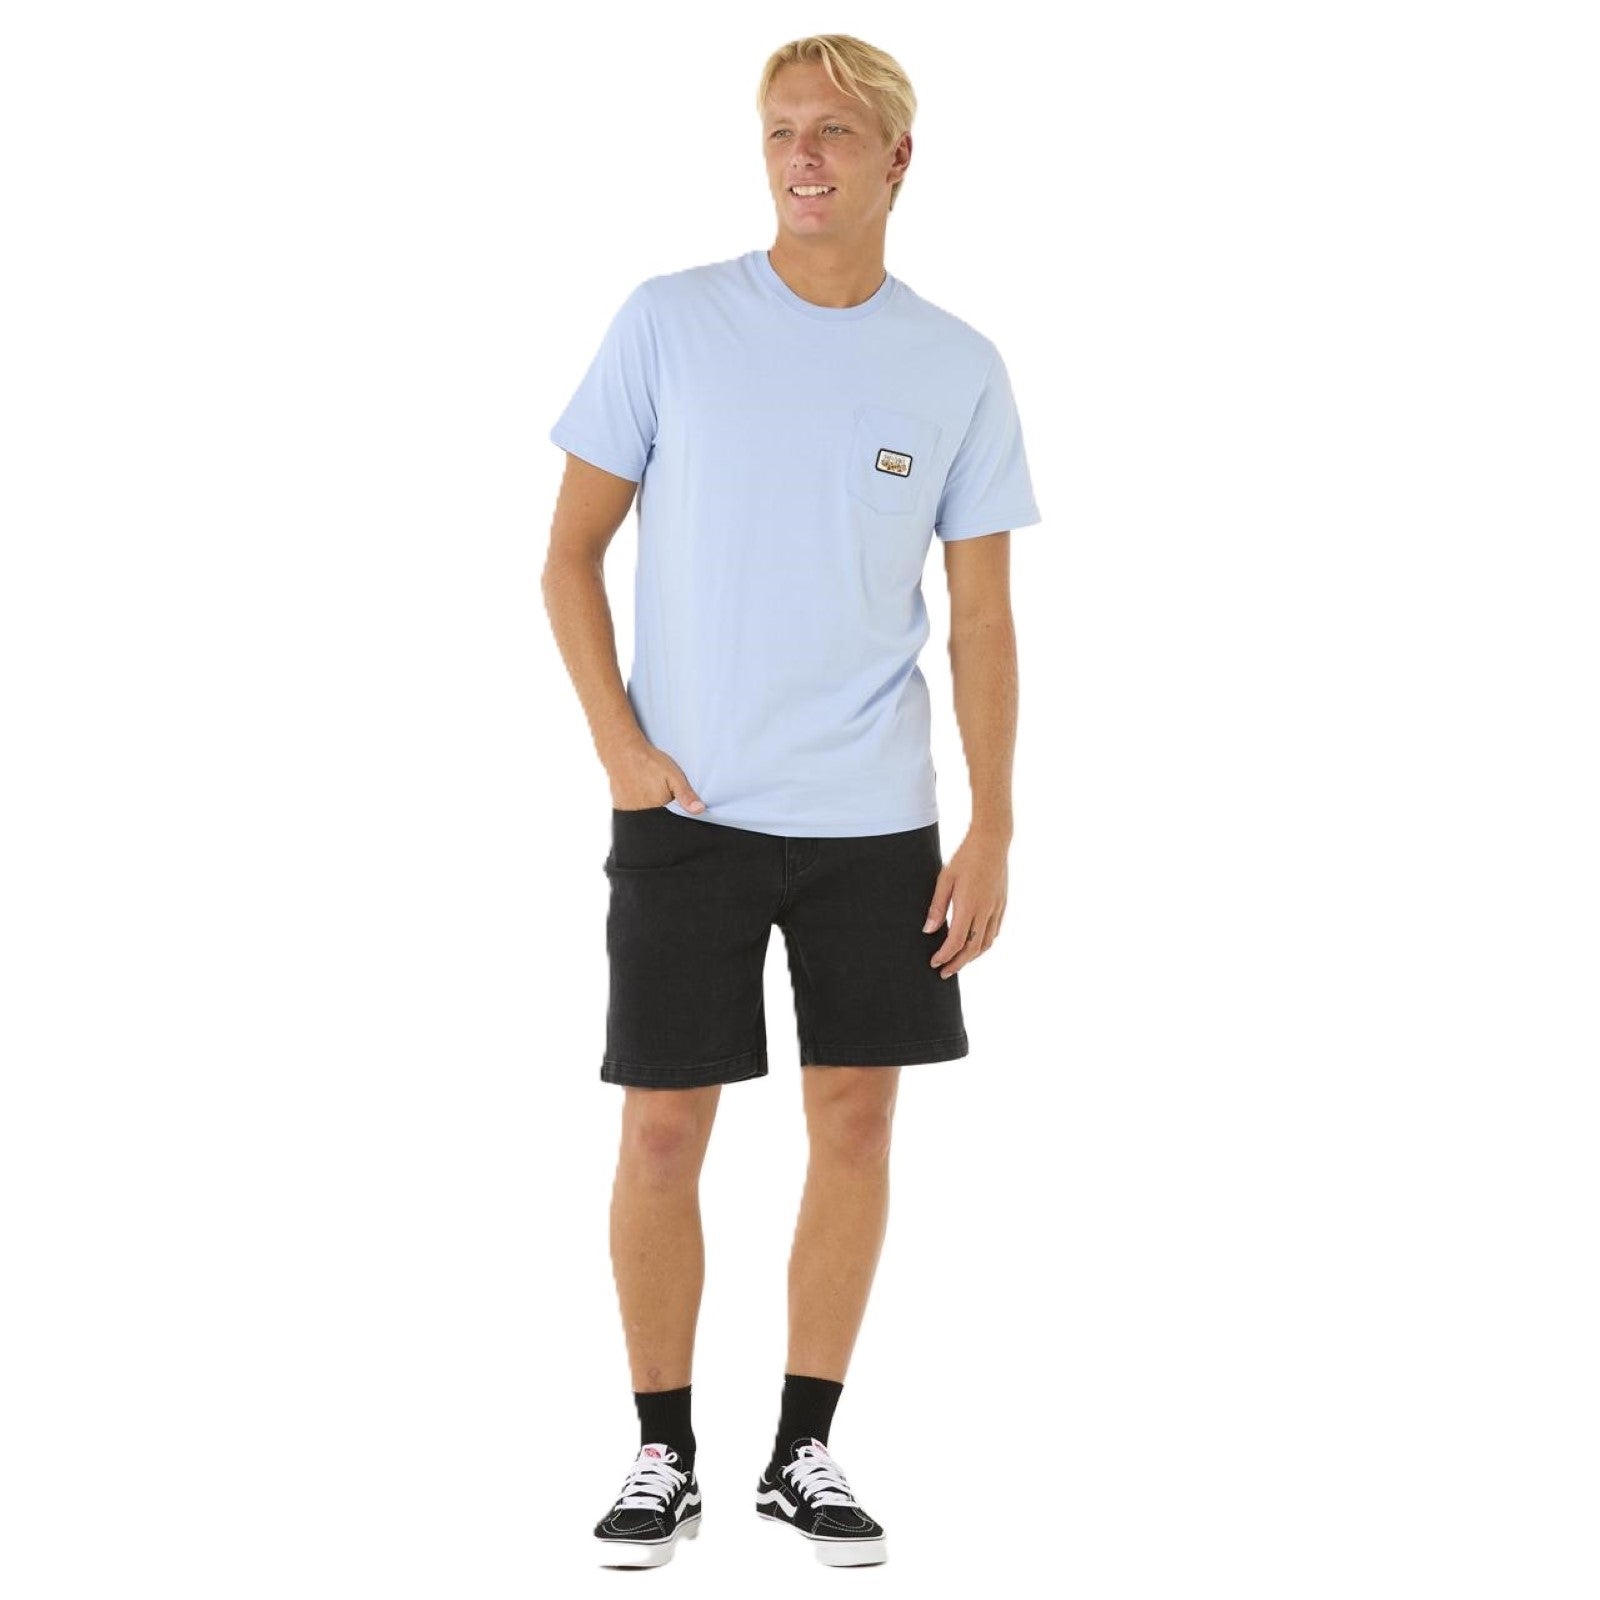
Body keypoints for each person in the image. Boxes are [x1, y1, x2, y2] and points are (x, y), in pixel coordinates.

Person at [543, 33, 1041, 1569]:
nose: (802, 156)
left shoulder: (957, 367)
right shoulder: (670, 322)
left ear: (900, 159)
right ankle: (661, 1454)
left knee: (856, 1123)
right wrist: (620, 749)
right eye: (779, 131)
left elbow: (981, 620)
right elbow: (567, 556)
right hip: (687, 812)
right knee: (662, 1136)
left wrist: (993, 822)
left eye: (832, 131)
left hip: (875, 823)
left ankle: (801, 1452)